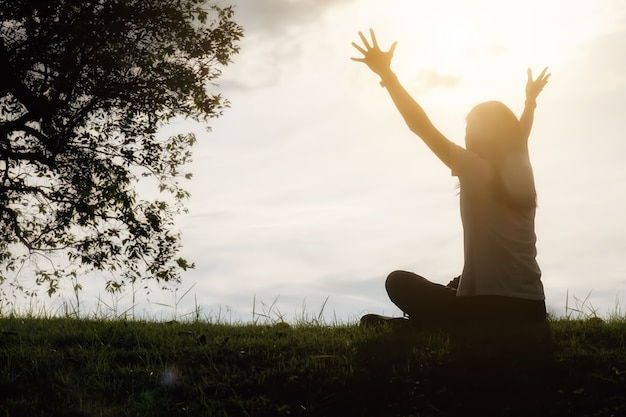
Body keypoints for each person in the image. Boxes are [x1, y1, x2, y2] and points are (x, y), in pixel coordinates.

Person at [351, 29, 551, 329]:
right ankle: (429, 317)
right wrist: (530, 103)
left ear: (487, 134)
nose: (467, 133)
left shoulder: (474, 168)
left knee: (398, 282)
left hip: (486, 308)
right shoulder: (522, 171)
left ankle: (411, 326)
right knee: (462, 278)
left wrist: (388, 76)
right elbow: (519, 136)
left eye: (471, 127)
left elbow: (420, 125)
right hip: (532, 308)